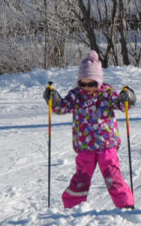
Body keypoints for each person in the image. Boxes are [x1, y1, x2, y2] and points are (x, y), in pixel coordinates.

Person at [44, 50, 136, 210]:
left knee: (113, 178)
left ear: (99, 82)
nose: (87, 88)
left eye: (91, 84)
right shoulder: (76, 96)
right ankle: (73, 207)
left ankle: (126, 206)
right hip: (85, 147)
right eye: (83, 84)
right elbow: (62, 108)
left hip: (106, 145)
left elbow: (122, 105)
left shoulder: (107, 94)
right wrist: (55, 100)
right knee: (80, 179)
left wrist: (127, 97)